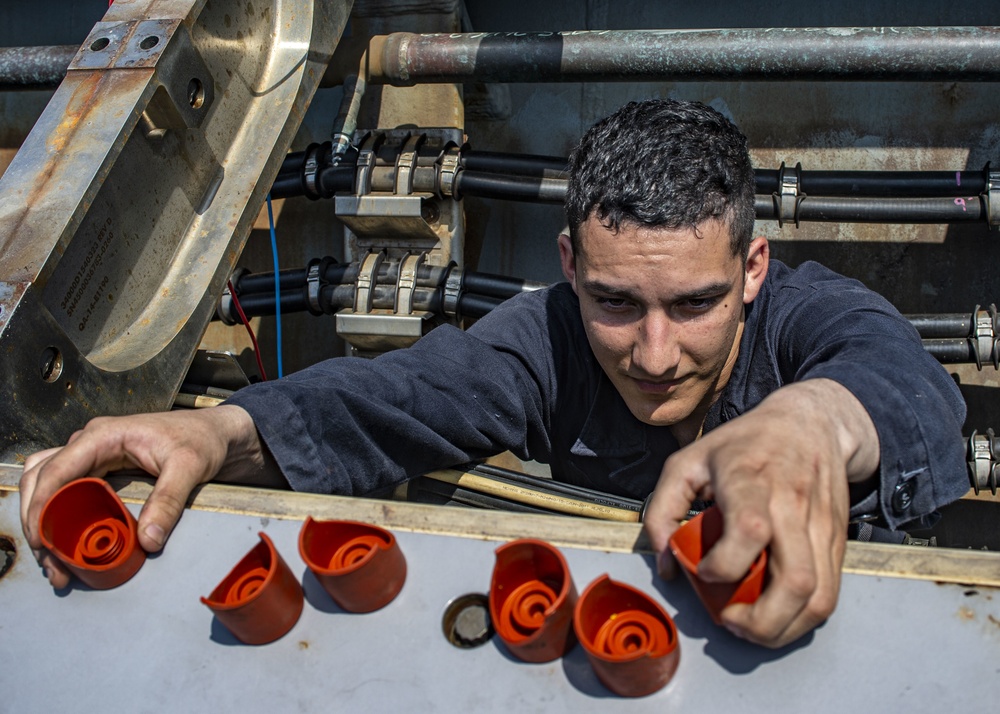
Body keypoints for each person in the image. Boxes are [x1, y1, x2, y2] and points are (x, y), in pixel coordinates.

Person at [20, 99, 968, 648]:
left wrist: (807, 424)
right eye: (612, 304)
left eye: (693, 305)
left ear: (751, 271)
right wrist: (218, 430)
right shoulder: (543, 340)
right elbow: (397, 396)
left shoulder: (816, 316)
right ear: (567, 265)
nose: (652, 354)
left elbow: (905, 383)